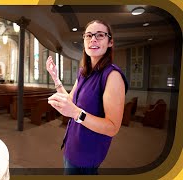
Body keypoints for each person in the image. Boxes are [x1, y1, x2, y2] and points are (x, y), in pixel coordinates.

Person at [46, 19, 128, 175]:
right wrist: (56, 79)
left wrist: (76, 113)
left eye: (100, 35)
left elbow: (112, 128)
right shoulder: (84, 72)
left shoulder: (112, 75)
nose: (93, 39)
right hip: (72, 146)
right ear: (84, 41)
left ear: (110, 42)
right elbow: (71, 102)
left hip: (87, 153)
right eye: (89, 35)